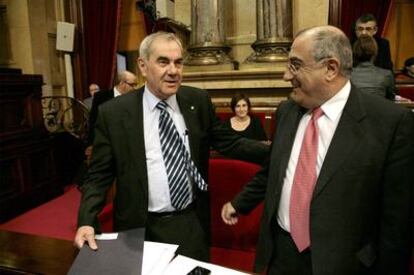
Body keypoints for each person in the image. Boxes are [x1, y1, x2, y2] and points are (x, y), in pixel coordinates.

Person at [221, 26, 413, 275]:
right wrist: (240, 203)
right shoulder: (287, 112)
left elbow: (395, 226)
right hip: (282, 255)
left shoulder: (390, 123)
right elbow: (274, 172)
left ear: (330, 69)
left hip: (345, 264)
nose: (285, 76)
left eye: (295, 65)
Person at [74, 32, 269, 261]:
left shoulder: (198, 102)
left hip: (190, 222)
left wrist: (281, 150)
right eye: (163, 61)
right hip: (138, 227)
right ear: (143, 66)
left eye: (178, 62)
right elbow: (98, 175)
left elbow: (232, 143)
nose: (174, 71)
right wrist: (86, 220)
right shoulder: (114, 113)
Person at [85, 70, 137, 158]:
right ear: (122, 83)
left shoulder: (134, 98)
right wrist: (91, 144)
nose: (134, 88)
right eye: (132, 85)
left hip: (127, 147)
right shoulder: (101, 97)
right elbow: (93, 120)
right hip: (106, 146)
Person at [351, 34, 396, 100]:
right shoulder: (386, 74)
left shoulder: (346, 75)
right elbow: (391, 99)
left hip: (353, 109)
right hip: (379, 109)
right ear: (375, 53)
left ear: (354, 52)